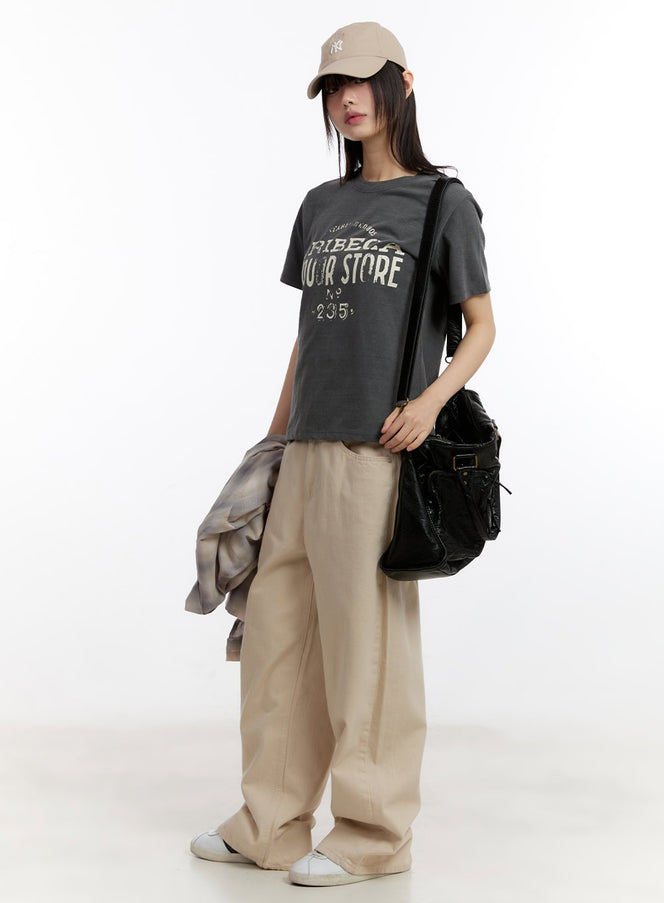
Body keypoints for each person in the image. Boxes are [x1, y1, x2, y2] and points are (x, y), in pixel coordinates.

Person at [190, 21, 495, 887]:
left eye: (361, 81)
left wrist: (428, 406)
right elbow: (307, 336)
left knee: (369, 652)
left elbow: (481, 326)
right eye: (332, 87)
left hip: (378, 453)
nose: (346, 99)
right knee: (277, 641)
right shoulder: (320, 206)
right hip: (307, 450)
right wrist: (272, 444)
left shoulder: (441, 202)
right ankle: (270, 823)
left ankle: (372, 836)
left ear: (402, 83)